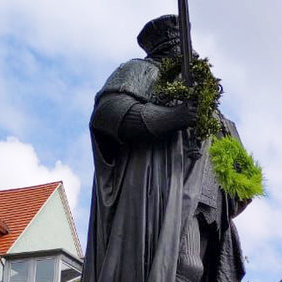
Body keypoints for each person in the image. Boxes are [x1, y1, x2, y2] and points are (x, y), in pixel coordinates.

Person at [83, 14, 249, 282]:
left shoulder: (216, 114)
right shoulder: (143, 71)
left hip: (204, 207)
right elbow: (108, 112)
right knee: (183, 266)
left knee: (193, 267)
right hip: (157, 193)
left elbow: (244, 183)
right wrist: (172, 117)